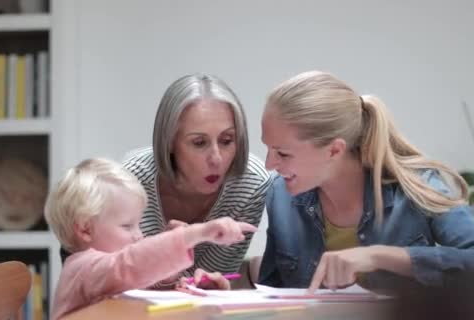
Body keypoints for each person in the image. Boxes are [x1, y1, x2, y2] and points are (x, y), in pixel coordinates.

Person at [255, 70, 474, 293]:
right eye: (268, 148)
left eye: (282, 153)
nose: (269, 165)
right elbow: (271, 294)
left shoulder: (418, 185)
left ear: (334, 150)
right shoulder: (280, 196)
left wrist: (379, 256)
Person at [45, 158, 257, 318]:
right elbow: (129, 265)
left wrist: (192, 289)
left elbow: (137, 285)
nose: (139, 235)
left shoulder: (110, 276)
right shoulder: (82, 269)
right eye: (127, 226)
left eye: (138, 224)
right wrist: (196, 234)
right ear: (85, 229)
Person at [122, 73, 272, 286]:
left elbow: (212, 279)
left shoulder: (251, 183)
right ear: (170, 141)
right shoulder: (130, 181)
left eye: (227, 140)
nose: (216, 158)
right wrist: (163, 257)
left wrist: (210, 284)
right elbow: (116, 280)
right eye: (199, 142)